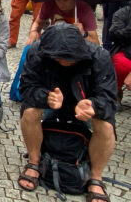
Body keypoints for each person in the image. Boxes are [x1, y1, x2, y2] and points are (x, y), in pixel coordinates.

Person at [18, 24, 117, 202]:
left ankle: (96, 177)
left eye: (70, 59)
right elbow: (26, 88)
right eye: (59, 58)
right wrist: (45, 98)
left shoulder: (99, 56)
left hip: (83, 107)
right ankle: (34, 162)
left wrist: (93, 106)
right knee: (30, 111)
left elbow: (110, 99)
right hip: (53, 105)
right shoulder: (37, 52)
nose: (65, 62)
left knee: (106, 124)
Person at [26, 0, 100, 45]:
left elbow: (96, 43)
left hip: (76, 45)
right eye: (58, 0)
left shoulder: (84, 8)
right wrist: (33, 32)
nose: (61, 4)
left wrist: (82, 33)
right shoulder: (49, 4)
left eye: (65, 0)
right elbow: (38, 22)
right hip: (54, 41)